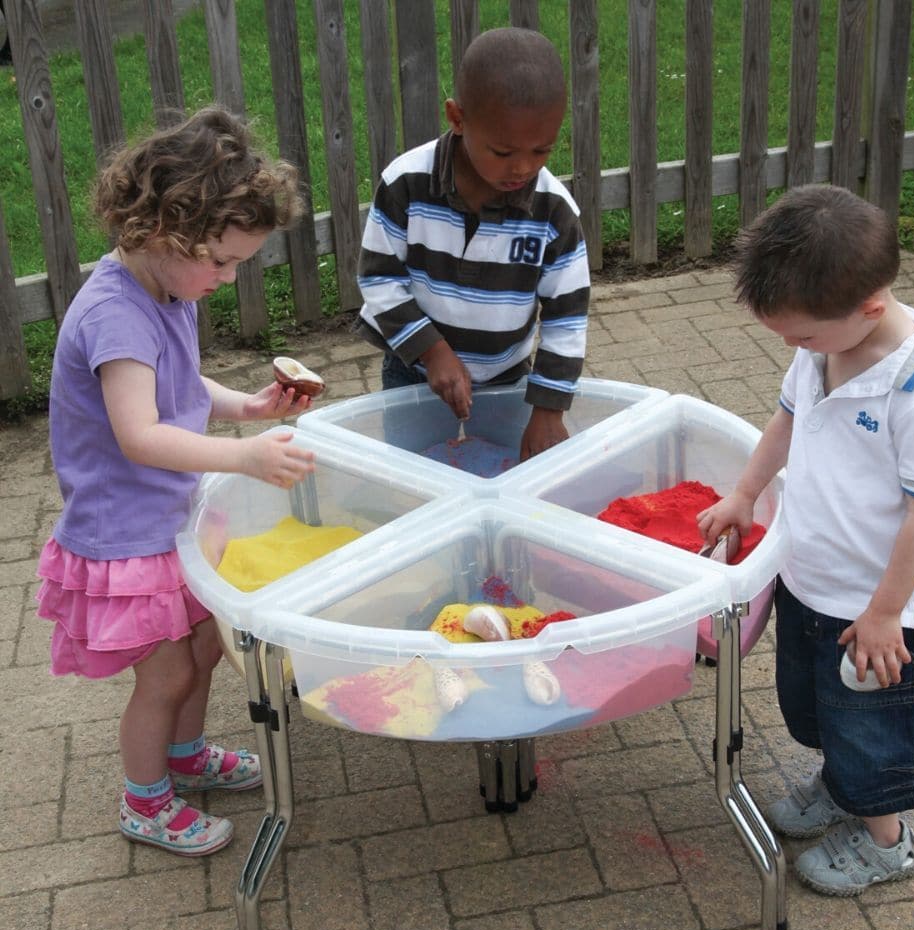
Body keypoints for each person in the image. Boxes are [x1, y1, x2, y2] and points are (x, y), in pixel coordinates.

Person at [36, 107, 317, 857]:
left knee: (197, 655)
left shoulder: (167, 289)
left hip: (166, 522)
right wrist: (246, 456)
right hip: (124, 538)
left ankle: (186, 760)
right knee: (163, 676)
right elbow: (141, 433)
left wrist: (245, 407)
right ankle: (145, 800)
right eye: (221, 262)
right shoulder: (115, 317)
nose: (227, 279)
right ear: (163, 230)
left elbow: (180, 386)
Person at [697, 184, 914, 896]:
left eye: (801, 335)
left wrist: (883, 614)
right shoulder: (824, 350)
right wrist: (745, 491)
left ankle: (886, 839)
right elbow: (787, 420)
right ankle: (839, 786)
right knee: (816, 709)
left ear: (870, 308)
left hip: (876, 616)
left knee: (872, 735)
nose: (793, 348)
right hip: (809, 582)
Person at [355, 26, 589, 461]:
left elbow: (567, 316)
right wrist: (433, 351)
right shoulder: (405, 184)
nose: (522, 167)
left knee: (504, 473)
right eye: (502, 152)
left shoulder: (554, 213)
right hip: (414, 371)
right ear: (457, 118)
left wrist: (548, 408)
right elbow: (379, 278)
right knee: (414, 473)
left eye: (541, 151)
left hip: (506, 377)